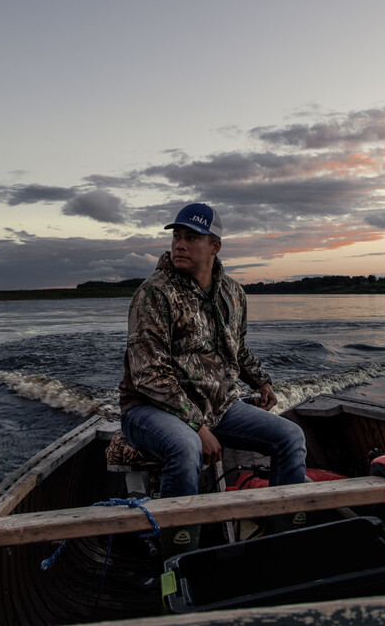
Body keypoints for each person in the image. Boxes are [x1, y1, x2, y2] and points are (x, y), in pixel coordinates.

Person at [119, 203, 307, 551]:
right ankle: (178, 560)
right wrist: (197, 426)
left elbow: (238, 347)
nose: (179, 244)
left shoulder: (233, 294)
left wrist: (261, 381)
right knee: (185, 446)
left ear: (215, 246)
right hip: (149, 409)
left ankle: (286, 542)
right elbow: (148, 374)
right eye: (177, 236)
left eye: (192, 237)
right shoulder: (154, 293)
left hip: (217, 406)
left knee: (290, 437)